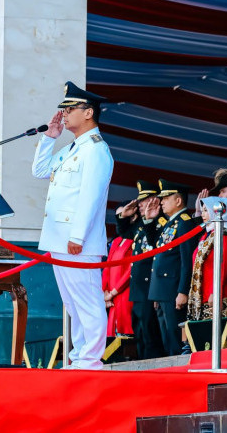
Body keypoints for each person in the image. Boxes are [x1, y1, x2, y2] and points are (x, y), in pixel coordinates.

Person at [32, 81, 114, 370]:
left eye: (70, 109)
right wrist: (48, 138)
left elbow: (91, 197)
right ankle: (80, 356)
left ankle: (91, 359)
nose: (64, 115)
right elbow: (40, 170)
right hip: (59, 238)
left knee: (88, 301)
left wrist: (77, 236)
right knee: (72, 302)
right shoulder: (72, 148)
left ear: (88, 112)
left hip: (77, 241)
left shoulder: (96, 150)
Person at [146, 179, 202, 355]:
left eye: (166, 198)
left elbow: (187, 260)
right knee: (167, 338)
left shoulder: (184, 223)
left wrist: (183, 291)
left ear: (178, 201)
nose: (161, 201)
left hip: (173, 290)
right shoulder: (170, 223)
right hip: (162, 290)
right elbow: (156, 248)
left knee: (176, 339)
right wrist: (149, 221)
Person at [115, 181, 164, 359]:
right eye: (140, 202)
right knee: (140, 329)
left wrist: (150, 220)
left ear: (154, 201)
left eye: (144, 201)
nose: (140, 205)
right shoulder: (142, 224)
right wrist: (123, 217)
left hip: (150, 285)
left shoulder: (159, 222)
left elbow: (155, 245)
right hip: (138, 288)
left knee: (151, 331)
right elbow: (125, 233)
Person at [187, 197, 227, 321]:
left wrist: (215, 293)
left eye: (206, 210)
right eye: (202, 211)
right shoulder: (206, 234)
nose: (203, 214)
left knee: (217, 336)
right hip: (202, 294)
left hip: (217, 294)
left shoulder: (224, 234)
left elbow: (222, 266)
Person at [103, 227, 133, 338]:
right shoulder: (116, 241)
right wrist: (105, 291)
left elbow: (130, 269)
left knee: (124, 328)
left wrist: (114, 291)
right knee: (111, 331)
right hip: (111, 294)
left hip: (124, 291)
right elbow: (107, 266)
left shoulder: (133, 239)